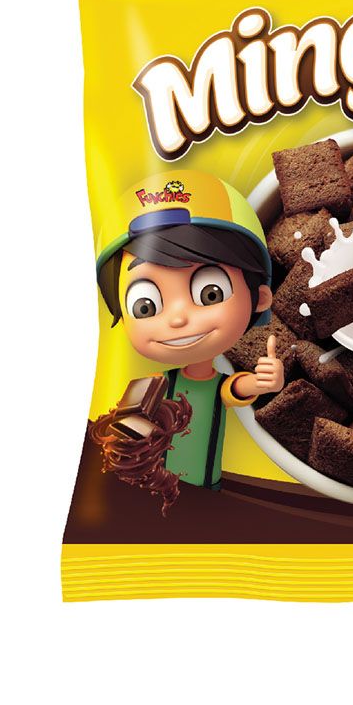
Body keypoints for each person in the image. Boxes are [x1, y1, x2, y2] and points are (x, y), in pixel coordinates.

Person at [94, 171, 284, 491]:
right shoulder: (154, 385)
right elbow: (125, 428)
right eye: (145, 306)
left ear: (260, 298)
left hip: (205, 484)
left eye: (210, 293)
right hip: (156, 484)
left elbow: (238, 388)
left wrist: (267, 380)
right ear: (122, 318)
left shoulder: (216, 384)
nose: (179, 319)